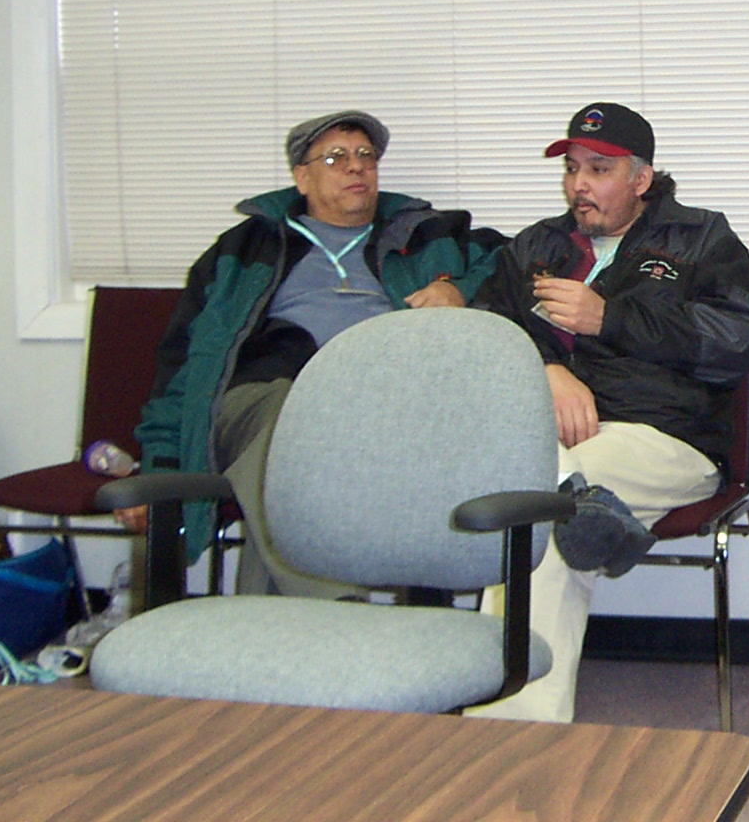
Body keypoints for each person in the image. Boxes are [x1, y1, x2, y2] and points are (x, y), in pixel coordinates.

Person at [469, 102, 749, 723]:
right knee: (544, 509)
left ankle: (510, 734)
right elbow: (485, 329)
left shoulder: (702, 238)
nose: (579, 184)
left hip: (665, 437)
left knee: (536, 515)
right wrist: (545, 369)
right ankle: (588, 509)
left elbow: (733, 341)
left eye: (599, 170)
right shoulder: (536, 247)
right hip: (552, 439)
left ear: (641, 178)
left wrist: (611, 318)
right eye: (572, 168)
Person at [123, 110, 504, 595]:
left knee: (293, 465)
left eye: (365, 155)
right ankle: (334, 599)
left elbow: (517, 263)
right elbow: (182, 366)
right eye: (335, 157)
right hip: (261, 401)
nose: (356, 166)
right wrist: (158, 465)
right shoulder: (242, 251)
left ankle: (279, 633)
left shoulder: (427, 236)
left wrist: (458, 289)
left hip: (379, 407)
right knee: (289, 420)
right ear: (301, 178)